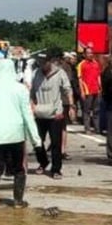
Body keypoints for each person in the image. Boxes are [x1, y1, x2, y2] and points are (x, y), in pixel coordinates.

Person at [0, 58, 42, 209]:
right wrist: (36, 140)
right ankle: (18, 201)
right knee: (18, 169)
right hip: (16, 135)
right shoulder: (20, 89)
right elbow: (28, 116)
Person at [31, 48, 73, 180]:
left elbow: (67, 90)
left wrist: (71, 106)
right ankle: (43, 162)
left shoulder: (60, 73)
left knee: (56, 143)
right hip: (40, 112)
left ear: (50, 61)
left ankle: (56, 169)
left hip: (56, 114)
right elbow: (31, 92)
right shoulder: (36, 73)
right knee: (37, 141)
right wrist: (31, 106)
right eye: (40, 62)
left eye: (44, 62)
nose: (42, 64)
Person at [78, 46, 102, 133]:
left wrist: (100, 88)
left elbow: (98, 76)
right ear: (84, 54)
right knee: (87, 111)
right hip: (87, 91)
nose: (90, 54)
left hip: (96, 90)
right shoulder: (81, 64)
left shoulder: (96, 63)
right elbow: (80, 79)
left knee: (96, 110)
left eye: (91, 53)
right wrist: (82, 91)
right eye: (88, 53)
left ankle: (97, 128)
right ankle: (87, 128)